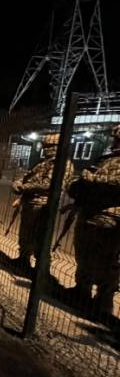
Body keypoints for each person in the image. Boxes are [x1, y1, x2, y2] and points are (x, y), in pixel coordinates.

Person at [68, 124, 120, 320]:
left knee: (107, 262)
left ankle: (103, 301)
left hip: (111, 217)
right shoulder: (105, 159)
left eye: (118, 140)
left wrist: (93, 178)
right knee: (84, 255)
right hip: (90, 214)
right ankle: (82, 290)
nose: (115, 143)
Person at [11, 134, 73, 275]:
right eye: (45, 147)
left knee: (40, 239)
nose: (45, 150)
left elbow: (50, 184)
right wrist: (18, 183)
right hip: (31, 203)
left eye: (49, 147)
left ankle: (41, 271)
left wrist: (24, 187)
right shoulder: (43, 163)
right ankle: (23, 260)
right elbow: (26, 177)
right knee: (25, 235)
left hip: (44, 205)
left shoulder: (62, 164)